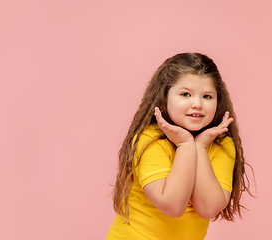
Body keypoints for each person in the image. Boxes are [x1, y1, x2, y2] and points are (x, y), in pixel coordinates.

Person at [106, 52, 254, 240]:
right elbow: (172, 206)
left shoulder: (221, 143)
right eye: (185, 94)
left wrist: (199, 148)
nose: (197, 104)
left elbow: (209, 208)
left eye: (207, 96)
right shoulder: (150, 139)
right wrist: (185, 145)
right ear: (164, 97)